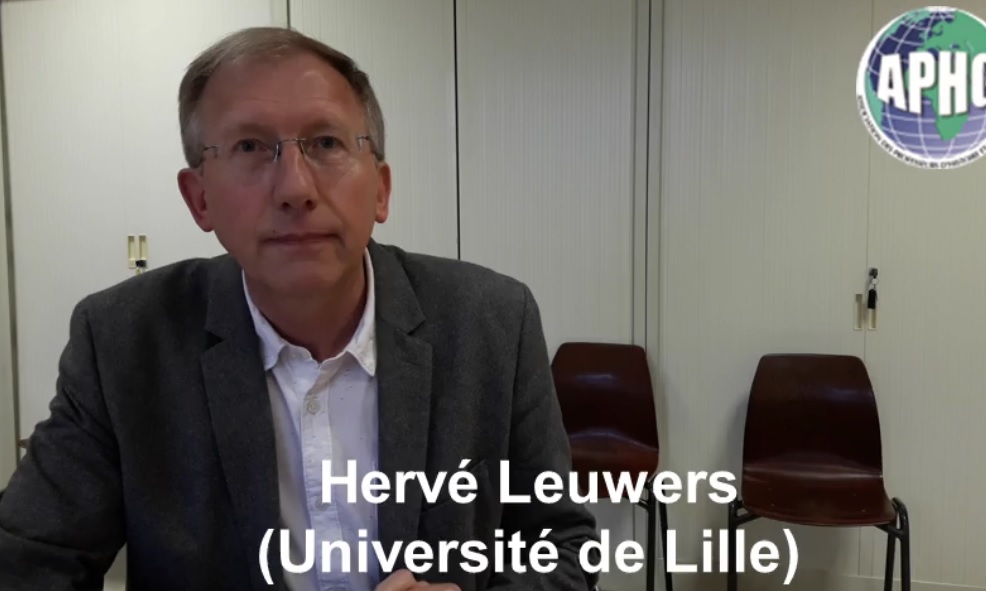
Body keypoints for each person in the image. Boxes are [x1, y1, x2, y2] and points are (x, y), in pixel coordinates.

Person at [0, 26, 598, 591]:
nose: (295, 188)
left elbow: (564, 549)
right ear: (199, 198)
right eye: (250, 146)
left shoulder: (493, 323)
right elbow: (27, 561)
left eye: (327, 143)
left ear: (382, 188)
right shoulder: (121, 343)